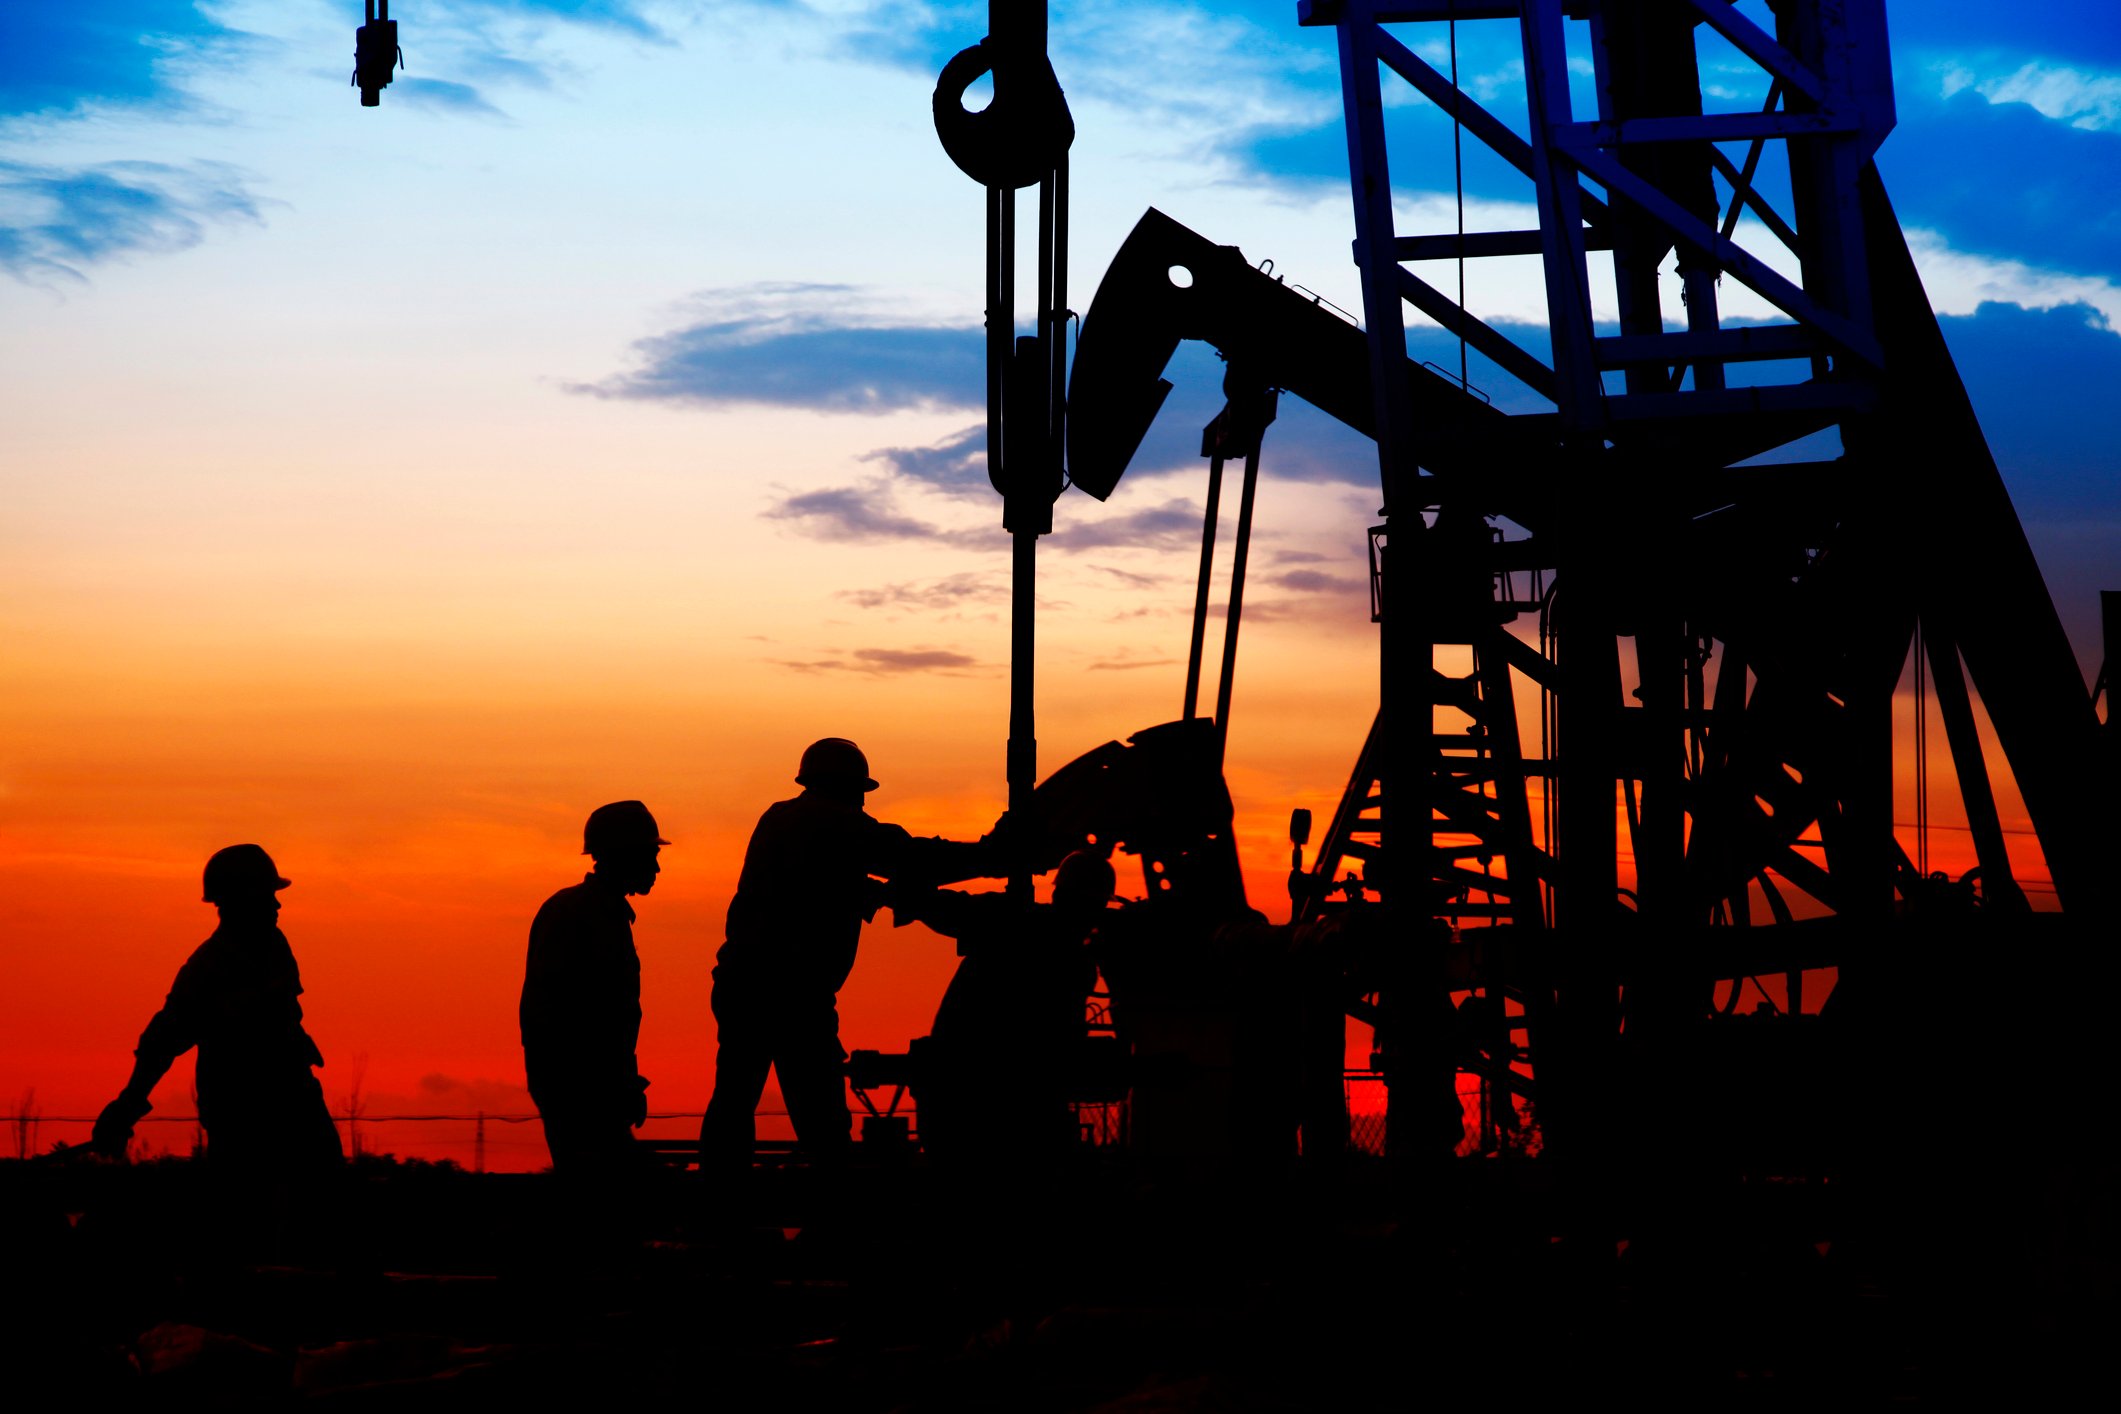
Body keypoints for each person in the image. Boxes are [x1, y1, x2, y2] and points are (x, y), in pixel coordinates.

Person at [700, 738, 1010, 1182]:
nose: (864, 803)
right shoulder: (833, 823)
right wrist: (990, 856)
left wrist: (881, 895)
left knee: (734, 1097)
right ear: (848, 788)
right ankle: (832, 1218)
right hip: (791, 992)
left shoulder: (783, 819)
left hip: (744, 983)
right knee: (820, 1113)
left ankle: (720, 1202)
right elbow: (907, 855)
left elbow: (818, 884)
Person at [90, 845, 342, 1171]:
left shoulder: (275, 946)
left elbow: (281, 1015)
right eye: (268, 895)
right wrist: (126, 1108)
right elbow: (162, 1041)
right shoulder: (208, 969)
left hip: (295, 1101)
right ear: (241, 900)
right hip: (241, 1116)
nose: (277, 904)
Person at [897, 850, 1113, 1163]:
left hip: (957, 1095)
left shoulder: (1012, 923)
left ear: (1057, 891)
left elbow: (950, 910)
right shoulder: (1069, 962)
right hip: (999, 1102)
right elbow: (1061, 1042)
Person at [521, 800, 665, 1173]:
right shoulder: (584, 916)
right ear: (624, 856)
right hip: (579, 1088)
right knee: (603, 1196)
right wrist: (613, 1085)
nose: (657, 867)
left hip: (583, 1085)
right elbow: (583, 1015)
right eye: (649, 855)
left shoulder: (594, 913)